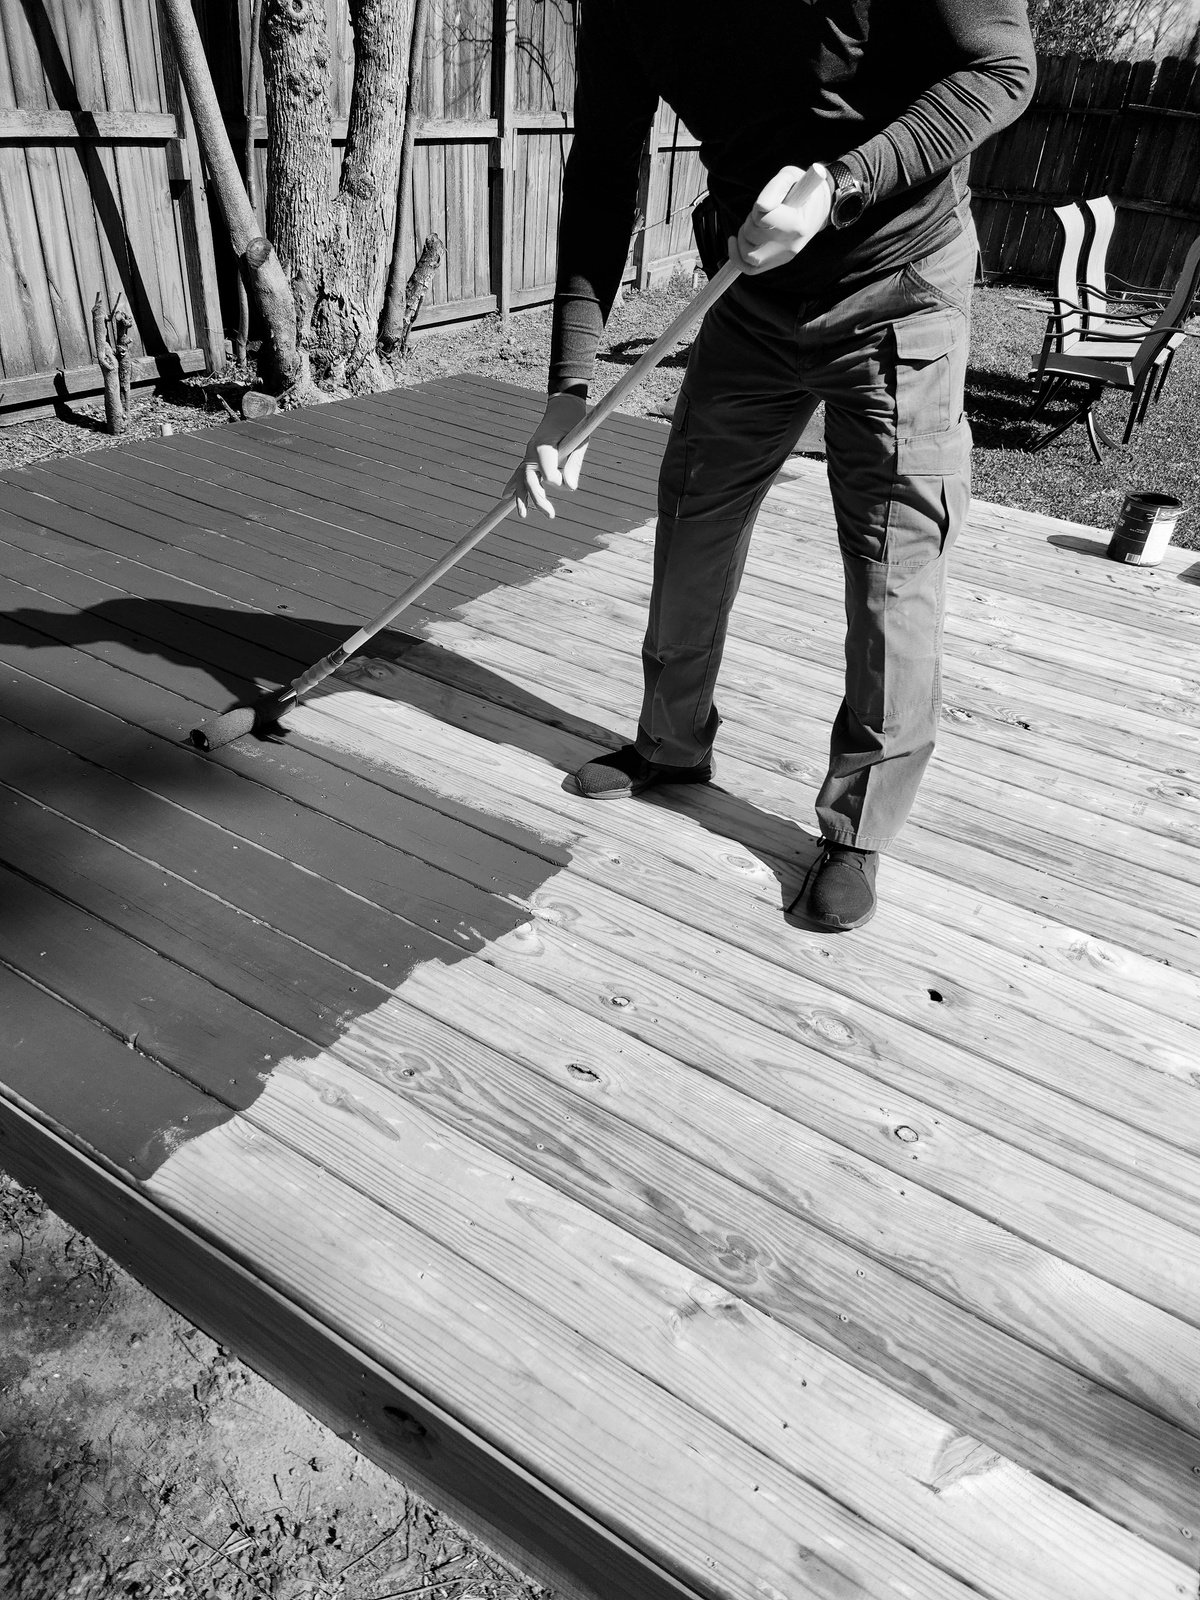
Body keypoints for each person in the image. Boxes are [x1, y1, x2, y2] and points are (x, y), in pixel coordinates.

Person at [507, 2, 1036, 931]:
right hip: (753, 294)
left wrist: (842, 181)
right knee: (694, 516)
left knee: (892, 565)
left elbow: (1002, 71)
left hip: (899, 283)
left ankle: (858, 827)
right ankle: (671, 746)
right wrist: (569, 387)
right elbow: (601, 171)